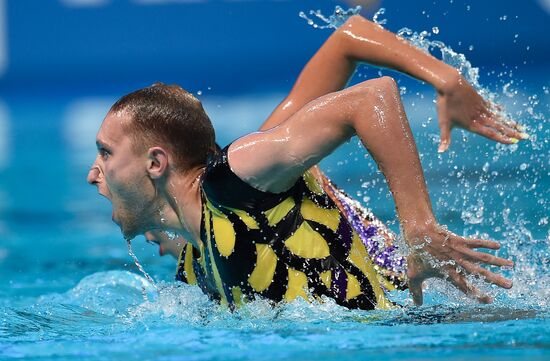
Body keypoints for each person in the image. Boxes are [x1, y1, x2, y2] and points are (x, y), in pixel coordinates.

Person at [87, 15, 526, 310]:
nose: (94, 173)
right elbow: (346, 43)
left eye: (106, 153)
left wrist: (420, 231)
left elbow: (372, 99)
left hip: (423, 321)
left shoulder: (239, 175)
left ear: (156, 164)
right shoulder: (200, 256)